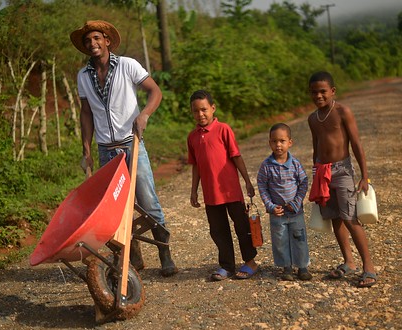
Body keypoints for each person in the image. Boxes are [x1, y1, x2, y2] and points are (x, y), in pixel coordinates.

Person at [70, 20, 177, 277]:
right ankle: (134, 259)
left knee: (148, 202)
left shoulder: (128, 65)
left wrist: (145, 115)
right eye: (88, 41)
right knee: (118, 208)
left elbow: (155, 92)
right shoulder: (83, 76)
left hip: (132, 143)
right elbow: (86, 113)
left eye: (97, 38)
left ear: (107, 40)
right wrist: (86, 148)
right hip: (106, 150)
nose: (92, 44)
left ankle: (165, 254)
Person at [307, 71, 377, 288]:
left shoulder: (342, 112)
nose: (318, 96)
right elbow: (315, 146)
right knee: (335, 218)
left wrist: (364, 176)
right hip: (323, 172)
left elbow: (356, 143)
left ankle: (369, 267)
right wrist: (315, 173)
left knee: (350, 217)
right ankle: (349, 262)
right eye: (314, 93)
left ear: (332, 91)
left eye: (323, 92)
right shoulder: (312, 119)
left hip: (343, 170)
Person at [187, 90, 258, 281]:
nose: (200, 114)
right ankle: (227, 266)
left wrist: (247, 181)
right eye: (196, 111)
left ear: (213, 108)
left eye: (204, 109)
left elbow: (236, 156)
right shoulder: (192, 137)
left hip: (231, 191)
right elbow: (196, 166)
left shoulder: (223, 129)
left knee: (242, 226)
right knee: (218, 230)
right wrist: (194, 191)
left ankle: (250, 261)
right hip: (211, 194)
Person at [257, 123, 312, 281]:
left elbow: (303, 183)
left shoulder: (295, 164)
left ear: (290, 142)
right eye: (274, 141)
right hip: (277, 213)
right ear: (270, 143)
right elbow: (262, 186)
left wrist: (296, 202)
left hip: (295, 212)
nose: (278, 145)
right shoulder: (266, 166)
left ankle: (302, 267)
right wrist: (270, 206)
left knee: (299, 239)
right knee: (280, 240)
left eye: (282, 141)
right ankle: (286, 267)